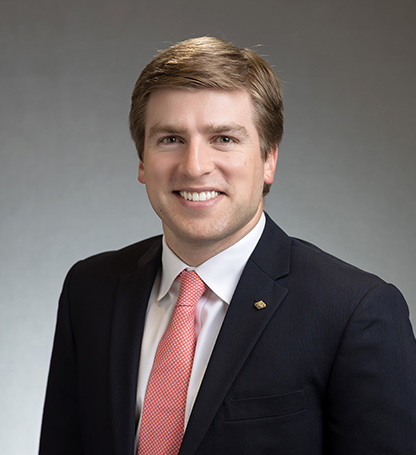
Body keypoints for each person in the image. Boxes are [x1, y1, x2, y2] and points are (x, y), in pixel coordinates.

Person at [39, 36, 416, 455]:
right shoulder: (90, 289)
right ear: (142, 161)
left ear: (269, 160)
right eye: (170, 139)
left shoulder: (354, 311)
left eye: (224, 138)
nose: (195, 166)